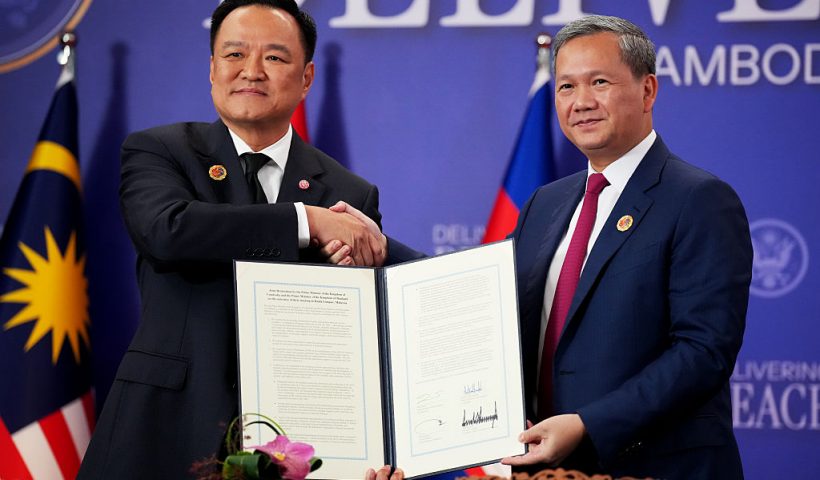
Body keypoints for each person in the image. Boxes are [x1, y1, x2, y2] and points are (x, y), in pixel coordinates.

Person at [329, 14, 752, 479]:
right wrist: (380, 247)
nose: (581, 102)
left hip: (654, 466)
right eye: (566, 87)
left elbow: (702, 353)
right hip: (546, 468)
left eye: (600, 82)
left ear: (648, 90)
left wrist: (587, 424)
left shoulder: (698, 199)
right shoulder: (547, 203)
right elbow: (476, 297)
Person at [78, 1, 402, 478]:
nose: (251, 71)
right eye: (233, 55)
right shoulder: (159, 151)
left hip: (300, 442)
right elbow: (169, 231)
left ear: (307, 77)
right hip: (165, 428)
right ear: (212, 68)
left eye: (274, 57)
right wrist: (305, 222)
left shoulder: (350, 195)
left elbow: (357, 328)